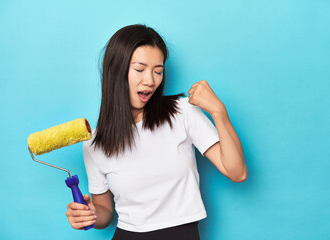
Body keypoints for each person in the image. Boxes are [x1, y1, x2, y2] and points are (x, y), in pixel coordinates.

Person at [65, 24, 247, 240]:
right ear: (116, 71)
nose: (150, 81)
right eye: (140, 69)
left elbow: (237, 172)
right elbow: (104, 209)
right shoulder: (94, 143)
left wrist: (219, 112)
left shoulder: (183, 113)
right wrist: (92, 216)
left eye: (158, 71)